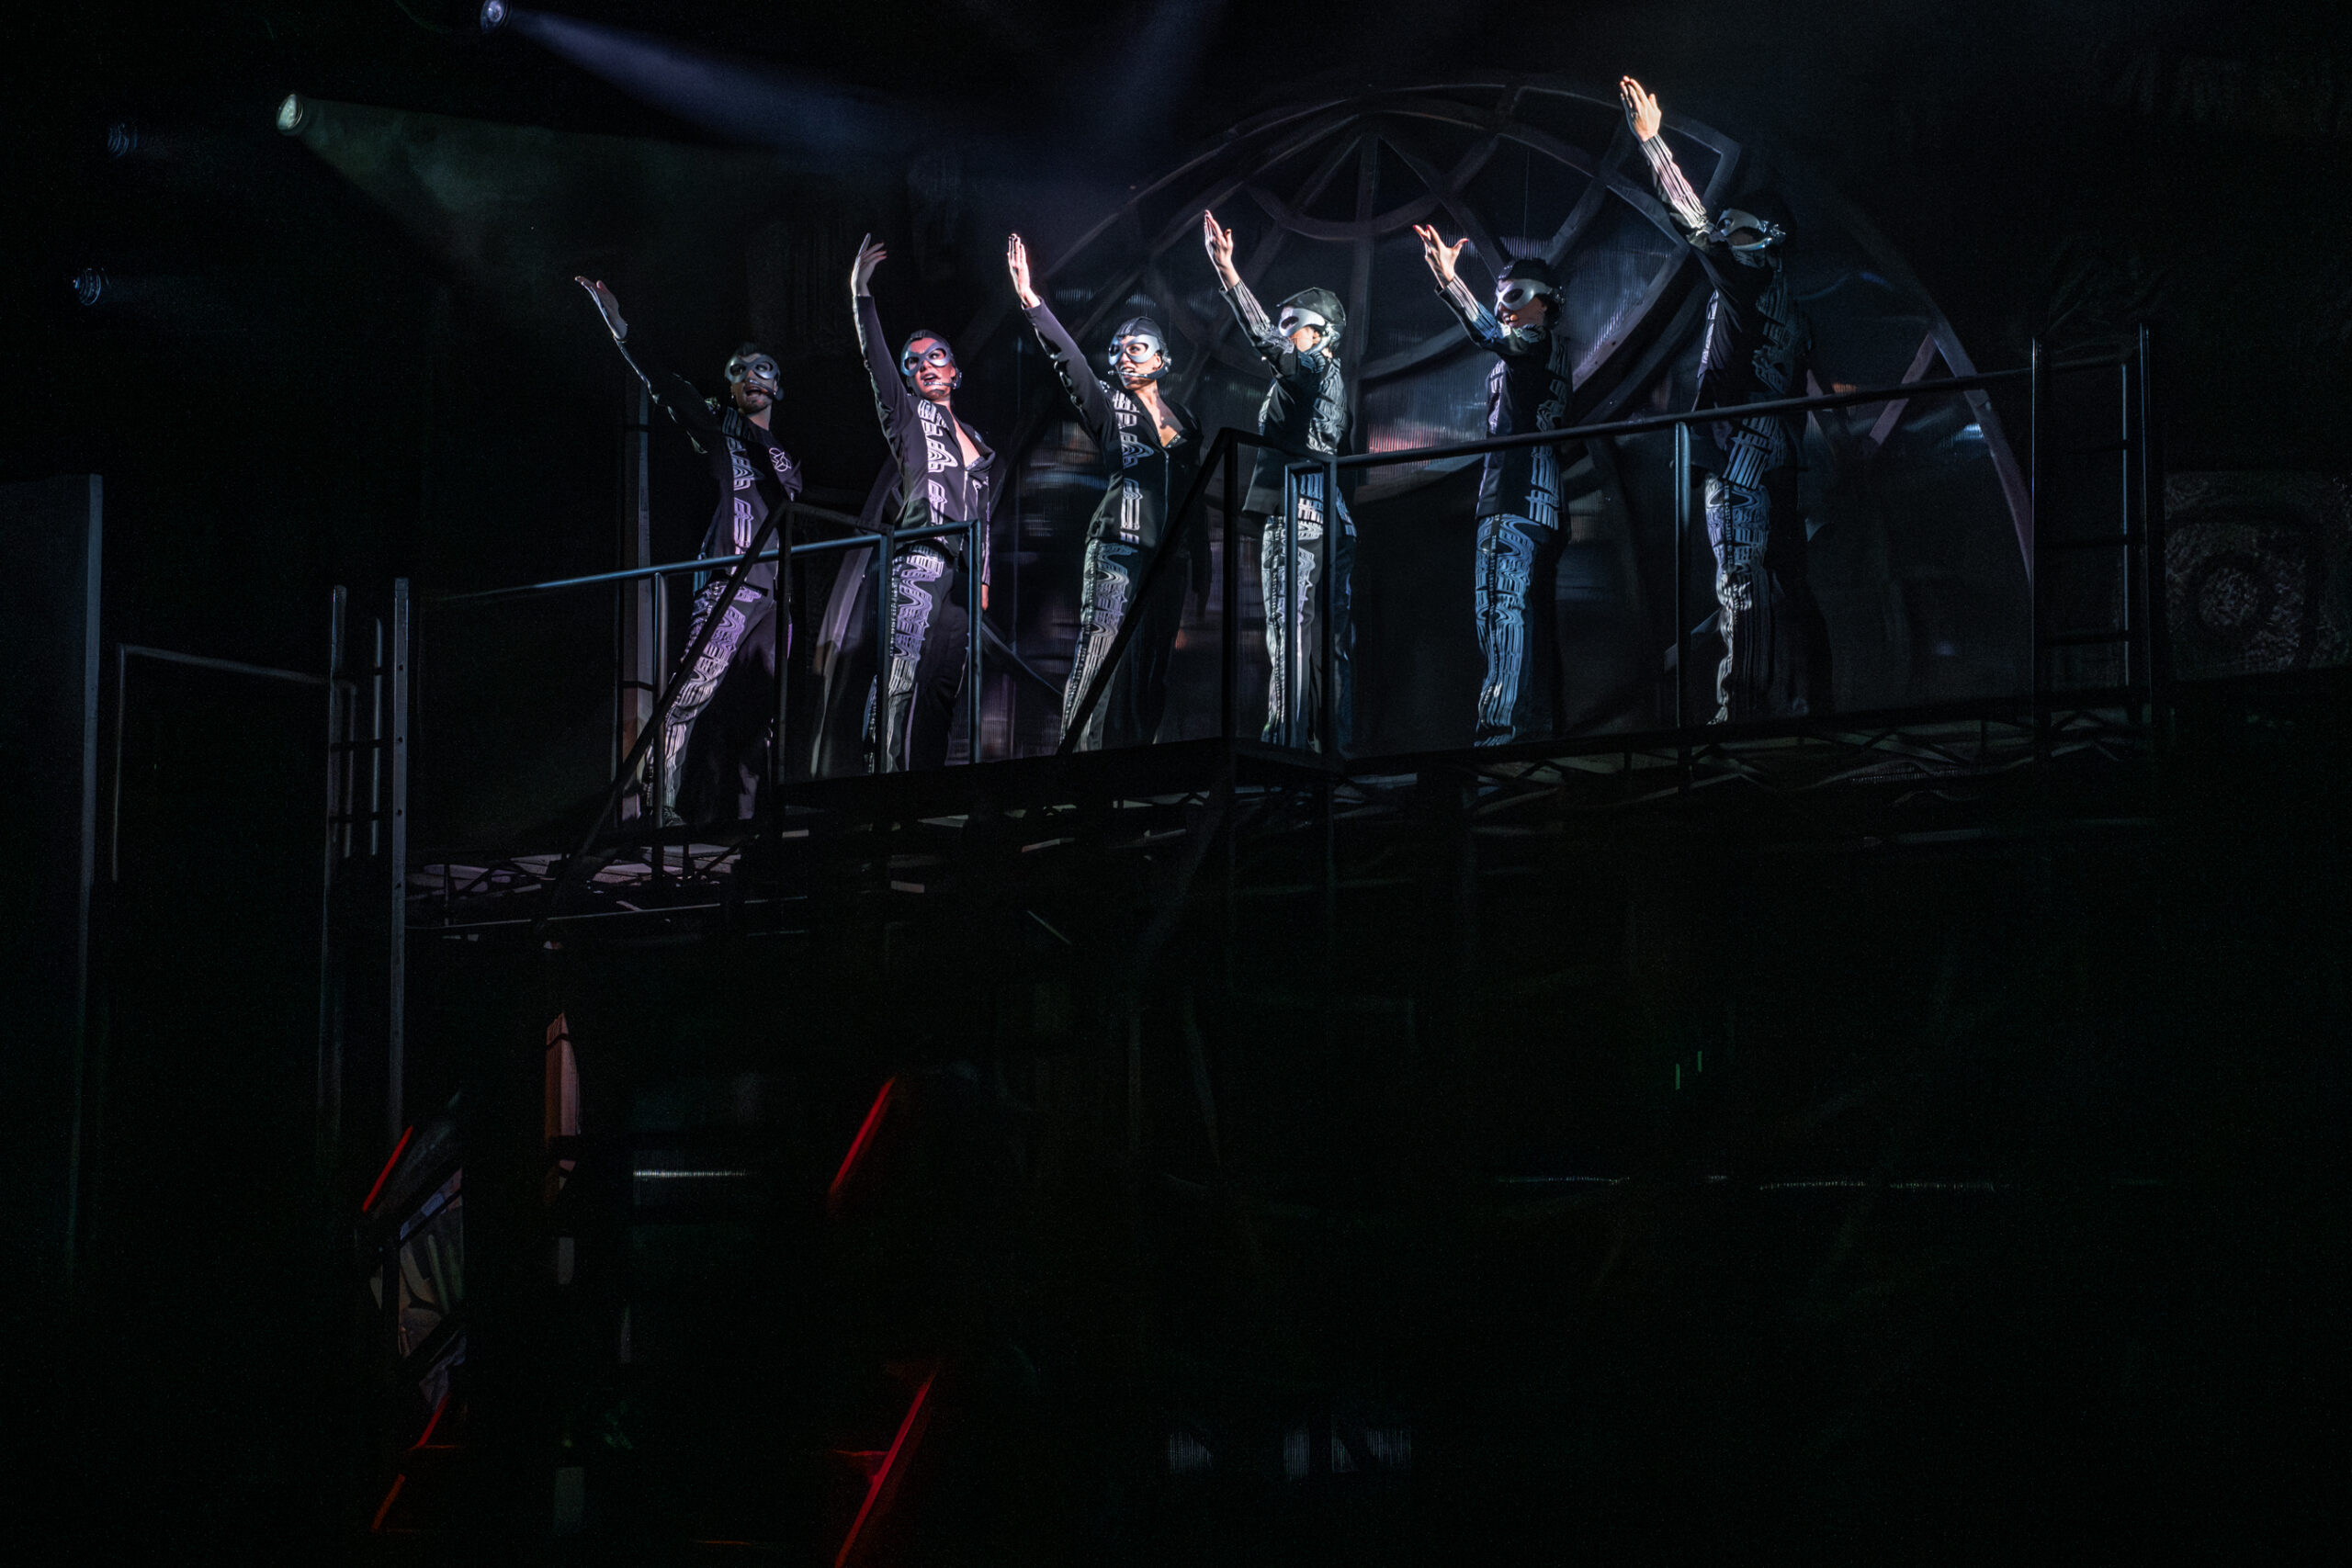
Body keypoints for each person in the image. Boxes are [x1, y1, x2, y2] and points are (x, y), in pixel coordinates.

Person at [1621, 75, 1830, 722]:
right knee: (1784, 580)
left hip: (1741, 455)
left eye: (1738, 232)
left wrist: (1654, 145)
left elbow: (1694, 224)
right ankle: (1809, 702)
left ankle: (1743, 710)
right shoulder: (1792, 308)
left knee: (1741, 576)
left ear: (1766, 242)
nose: (1724, 236)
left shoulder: (1749, 285)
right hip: (1777, 456)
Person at [576, 276, 803, 821]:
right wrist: (620, 327)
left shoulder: (786, 457)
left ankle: (751, 822)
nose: (752, 376)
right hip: (729, 581)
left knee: (762, 713)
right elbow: (666, 386)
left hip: (773, 597)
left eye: (763, 368)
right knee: (693, 689)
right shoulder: (720, 428)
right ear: (731, 386)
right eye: (739, 370)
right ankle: (658, 808)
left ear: (778, 385)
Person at [1006, 233, 1202, 749]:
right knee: (1100, 649)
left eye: (1135, 348)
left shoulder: (1187, 421)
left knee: (1153, 667)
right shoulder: (1110, 406)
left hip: (1169, 558)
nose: (1123, 358)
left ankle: (1135, 764)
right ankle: (1075, 758)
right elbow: (1070, 365)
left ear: (1160, 358)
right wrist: (1032, 302)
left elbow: (1195, 494)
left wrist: (1199, 563)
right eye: (1116, 351)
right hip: (1118, 544)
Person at [1413, 228, 1579, 744]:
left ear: (1545, 303)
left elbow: (1491, 334)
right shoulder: (1548, 352)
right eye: (1500, 296)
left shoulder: (1534, 344)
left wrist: (1449, 281)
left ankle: (1501, 734)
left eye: (1516, 296)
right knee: (1528, 618)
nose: (1504, 306)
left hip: (1513, 499)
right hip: (1542, 503)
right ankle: (1531, 730)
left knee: (1500, 610)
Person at [1201, 209, 1352, 749]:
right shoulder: (1326, 379)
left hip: (1296, 512)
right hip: (1332, 514)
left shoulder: (1311, 370)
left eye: (1294, 325)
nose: (1285, 333)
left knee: (1289, 627)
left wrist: (1229, 274)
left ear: (1322, 333)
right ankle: (1329, 745)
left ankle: (1286, 740)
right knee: (1327, 636)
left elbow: (1266, 341)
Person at [851, 234, 998, 771]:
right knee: (899, 671)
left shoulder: (978, 442)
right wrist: (860, 294)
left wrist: (983, 577)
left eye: (936, 357)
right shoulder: (909, 417)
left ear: (955, 370)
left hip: (961, 577)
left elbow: (983, 515)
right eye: (914, 363)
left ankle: (929, 791)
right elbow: (876, 364)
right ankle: (879, 779)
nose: (926, 366)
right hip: (919, 558)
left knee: (942, 686)